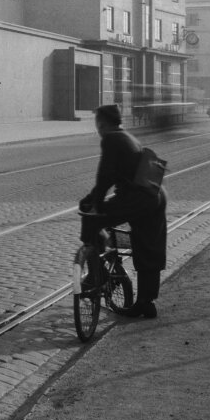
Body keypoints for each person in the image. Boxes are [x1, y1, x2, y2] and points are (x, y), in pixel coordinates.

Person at [78, 103, 167, 318]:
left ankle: (97, 275)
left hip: (138, 198)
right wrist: (94, 199)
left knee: (91, 221)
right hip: (155, 194)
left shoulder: (111, 139)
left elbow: (105, 175)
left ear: (102, 123)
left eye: (97, 122)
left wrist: (94, 204)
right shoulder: (127, 136)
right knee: (148, 248)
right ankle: (146, 302)